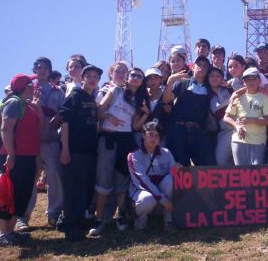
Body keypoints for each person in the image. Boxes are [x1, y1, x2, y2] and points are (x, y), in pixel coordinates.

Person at [89, 63, 149, 236]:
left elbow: (136, 126)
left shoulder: (138, 99)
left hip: (126, 140)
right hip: (108, 138)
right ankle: (99, 219)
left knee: (122, 181)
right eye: (133, 75)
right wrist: (109, 116)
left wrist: (145, 113)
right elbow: (99, 109)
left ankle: (121, 216)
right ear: (127, 78)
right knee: (103, 179)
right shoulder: (115, 90)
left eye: (139, 76)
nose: (136, 78)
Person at [0, 74, 44, 247]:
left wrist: (38, 108)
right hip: (15, 157)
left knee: (22, 195)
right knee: (8, 195)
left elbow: (42, 128)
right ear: (25, 87)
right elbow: (6, 128)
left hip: (28, 156)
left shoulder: (28, 105)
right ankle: (2, 233)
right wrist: (11, 154)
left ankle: (10, 231)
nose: (35, 86)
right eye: (32, 83)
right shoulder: (14, 102)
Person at [59, 64, 102, 242]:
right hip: (75, 150)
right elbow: (65, 121)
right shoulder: (75, 95)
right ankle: (71, 228)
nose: (92, 79)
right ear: (82, 78)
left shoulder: (92, 98)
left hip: (90, 151)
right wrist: (65, 149)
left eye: (96, 77)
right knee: (74, 190)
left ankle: (76, 223)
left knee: (85, 189)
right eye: (89, 76)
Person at [24, 56, 65, 229]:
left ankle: (54, 213)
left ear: (49, 71)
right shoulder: (27, 87)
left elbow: (63, 111)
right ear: (35, 70)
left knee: (54, 174)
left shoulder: (58, 90)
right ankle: (23, 216)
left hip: (51, 139)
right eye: (39, 67)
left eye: (46, 68)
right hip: (30, 140)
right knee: (29, 177)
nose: (42, 70)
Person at [128, 121, 181, 232]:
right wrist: (162, 199)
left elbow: (173, 178)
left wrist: (177, 169)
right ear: (143, 135)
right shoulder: (134, 156)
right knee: (147, 199)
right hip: (144, 196)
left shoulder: (166, 152)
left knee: (170, 180)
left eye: (157, 135)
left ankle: (168, 221)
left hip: (162, 200)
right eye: (150, 134)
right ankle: (140, 225)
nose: (153, 138)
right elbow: (143, 182)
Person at [162, 56, 213, 166]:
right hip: (178, 130)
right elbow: (166, 99)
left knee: (203, 167)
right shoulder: (183, 83)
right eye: (199, 64)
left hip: (198, 132)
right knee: (180, 166)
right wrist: (170, 81)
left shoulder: (210, 88)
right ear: (193, 67)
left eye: (205, 66)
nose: (201, 67)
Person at [224, 67, 268, 165]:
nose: (251, 82)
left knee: (256, 174)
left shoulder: (264, 98)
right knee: (241, 173)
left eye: (254, 79)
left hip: (258, 141)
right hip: (238, 140)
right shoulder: (236, 97)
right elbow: (226, 117)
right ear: (243, 82)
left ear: (259, 81)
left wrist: (252, 120)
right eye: (248, 79)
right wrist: (237, 126)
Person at [208, 67, 233, 166]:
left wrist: (230, 87)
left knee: (241, 163)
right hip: (223, 132)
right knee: (221, 162)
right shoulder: (206, 94)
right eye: (212, 75)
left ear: (222, 79)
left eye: (218, 76)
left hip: (238, 129)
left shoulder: (230, 89)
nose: (215, 78)